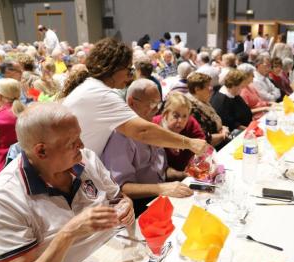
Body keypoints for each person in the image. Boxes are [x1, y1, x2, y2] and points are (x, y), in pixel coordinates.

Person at [0, 103, 134, 262]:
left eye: (79, 136)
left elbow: (118, 197)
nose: (81, 145)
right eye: (72, 142)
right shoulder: (2, 199)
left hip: (109, 256)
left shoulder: (86, 159)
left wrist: (126, 204)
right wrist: (68, 233)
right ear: (42, 151)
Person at [61, 38, 206, 158]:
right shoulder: (101, 94)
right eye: (129, 69)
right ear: (113, 68)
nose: (131, 75)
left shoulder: (93, 87)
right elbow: (143, 132)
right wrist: (189, 143)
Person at [102, 80, 192, 215]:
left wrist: (182, 175)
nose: (157, 109)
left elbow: (161, 170)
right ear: (132, 103)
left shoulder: (152, 128)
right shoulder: (120, 137)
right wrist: (161, 188)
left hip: (161, 195)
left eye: (159, 104)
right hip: (139, 207)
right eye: (152, 104)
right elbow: (121, 188)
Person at [153, 92, 206, 171]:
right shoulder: (154, 126)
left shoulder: (190, 122)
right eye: (176, 115)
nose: (180, 121)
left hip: (190, 172)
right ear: (166, 114)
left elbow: (202, 144)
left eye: (185, 116)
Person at [186, 72, 229, 147]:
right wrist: (222, 135)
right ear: (197, 89)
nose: (211, 88)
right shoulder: (192, 109)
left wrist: (223, 129)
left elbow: (216, 125)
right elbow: (204, 138)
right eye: (208, 86)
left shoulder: (203, 102)